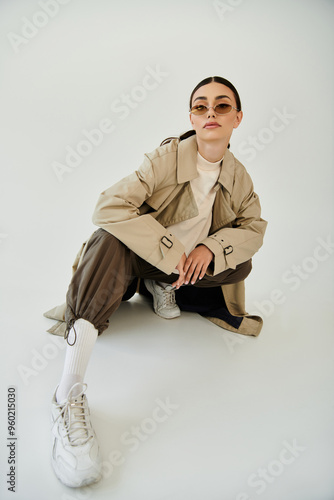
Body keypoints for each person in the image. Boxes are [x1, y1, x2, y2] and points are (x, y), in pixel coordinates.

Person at [47, 76, 267, 488]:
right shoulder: (166, 158)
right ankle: (67, 392)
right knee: (107, 238)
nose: (210, 113)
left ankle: (164, 285)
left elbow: (253, 229)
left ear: (237, 118)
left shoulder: (239, 177)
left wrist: (211, 249)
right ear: (191, 117)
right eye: (201, 106)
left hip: (179, 269)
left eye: (222, 106)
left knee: (239, 262)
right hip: (141, 258)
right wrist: (171, 250)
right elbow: (107, 206)